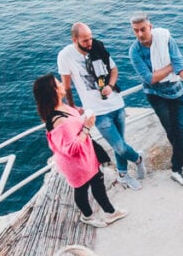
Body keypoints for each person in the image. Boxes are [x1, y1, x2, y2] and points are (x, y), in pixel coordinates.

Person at [58, 22, 146, 191]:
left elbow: (114, 70)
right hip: (98, 111)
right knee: (119, 146)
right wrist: (72, 107)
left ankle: (122, 175)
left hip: (117, 104)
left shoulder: (97, 48)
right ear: (74, 40)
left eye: (90, 38)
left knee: (119, 144)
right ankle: (138, 158)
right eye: (84, 41)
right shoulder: (65, 56)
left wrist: (110, 86)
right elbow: (67, 86)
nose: (89, 43)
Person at [32, 74, 128, 228]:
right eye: (58, 84)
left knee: (97, 182)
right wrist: (88, 126)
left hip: (86, 155)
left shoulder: (63, 107)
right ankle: (88, 216)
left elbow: (75, 127)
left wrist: (81, 114)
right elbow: (72, 148)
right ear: (53, 91)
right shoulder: (59, 121)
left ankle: (110, 212)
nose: (62, 84)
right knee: (81, 188)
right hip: (75, 162)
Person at [128, 13, 183, 187]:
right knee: (171, 130)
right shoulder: (134, 51)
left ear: (150, 27)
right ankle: (179, 165)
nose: (140, 34)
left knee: (181, 129)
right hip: (155, 95)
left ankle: (181, 163)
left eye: (143, 29)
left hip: (177, 90)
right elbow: (149, 78)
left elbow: (179, 64)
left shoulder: (165, 38)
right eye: (135, 31)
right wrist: (170, 66)